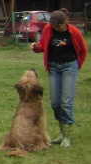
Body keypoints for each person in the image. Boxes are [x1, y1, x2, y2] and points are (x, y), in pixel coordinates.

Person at [31, 10, 87, 147]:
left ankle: (67, 136)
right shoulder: (48, 29)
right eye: (54, 26)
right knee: (55, 103)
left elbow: (83, 50)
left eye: (59, 27)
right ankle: (61, 132)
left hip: (69, 67)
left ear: (64, 23)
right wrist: (35, 47)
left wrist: (76, 66)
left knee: (66, 101)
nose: (56, 29)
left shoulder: (73, 32)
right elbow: (43, 46)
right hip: (53, 68)